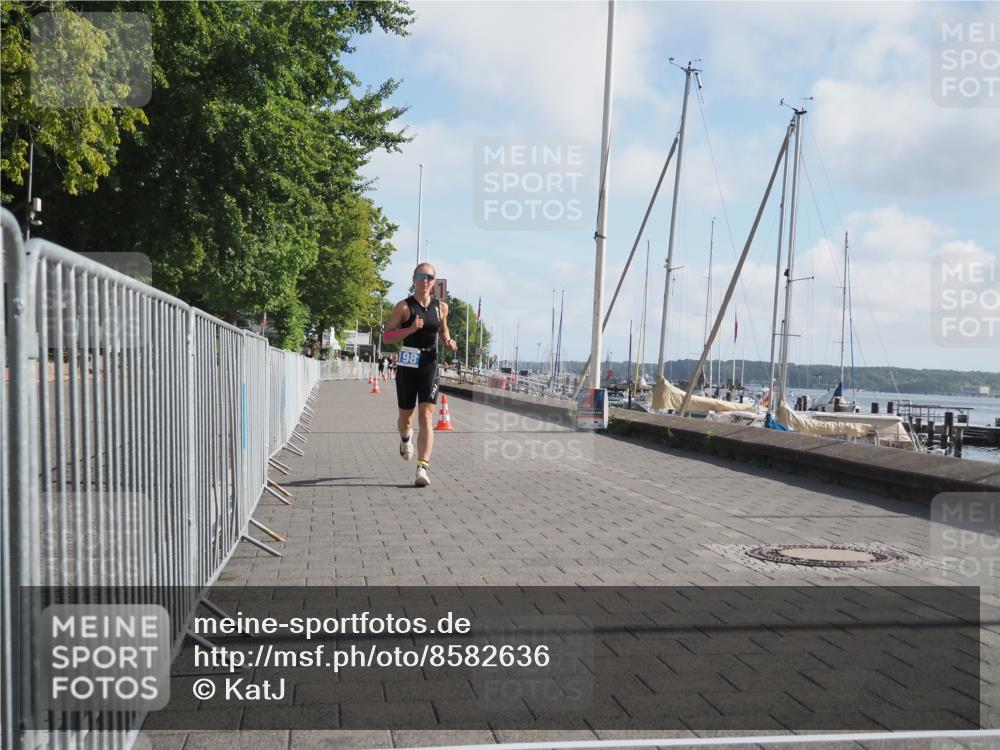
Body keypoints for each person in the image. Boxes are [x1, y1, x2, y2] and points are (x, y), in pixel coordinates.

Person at [382, 263, 458, 487]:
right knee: (406, 419)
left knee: (427, 416)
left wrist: (448, 341)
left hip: (430, 364)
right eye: (421, 276)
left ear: (434, 282)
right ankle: (405, 439)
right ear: (414, 279)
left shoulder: (441, 307)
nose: (425, 280)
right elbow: (387, 336)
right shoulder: (404, 307)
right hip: (407, 363)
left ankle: (422, 468)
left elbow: (443, 330)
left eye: (430, 277)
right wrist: (410, 330)